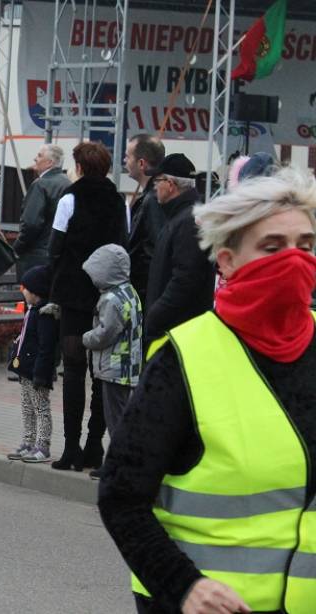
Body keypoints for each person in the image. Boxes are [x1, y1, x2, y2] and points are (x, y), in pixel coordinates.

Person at [99, 167, 316, 614]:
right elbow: (121, 497)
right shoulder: (183, 358)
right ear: (227, 261)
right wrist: (183, 586)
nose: (294, 260)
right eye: (272, 247)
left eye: (306, 246)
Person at [47, 142, 127, 471]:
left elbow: (54, 246)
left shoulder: (70, 198)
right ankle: (95, 446)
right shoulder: (119, 200)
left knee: (74, 371)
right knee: (101, 372)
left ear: (79, 167)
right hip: (107, 292)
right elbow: (123, 243)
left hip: (74, 291)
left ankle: (70, 449)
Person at [81, 244, 142, 479]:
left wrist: (85, 338)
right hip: (129, 366)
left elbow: (104, 333)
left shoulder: (111, 300)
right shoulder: (130, 292)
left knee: (115, 419)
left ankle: (117, 467)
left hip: (114, 367)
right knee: (123, 416)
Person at [143, 153, 216, 342]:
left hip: (177, 332)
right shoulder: (180, 217)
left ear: (170, 184)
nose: (155, 187)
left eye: (157, 181)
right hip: (174, 328)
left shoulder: (188, 222)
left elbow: (185, 278)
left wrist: (156, 315)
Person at [4, 265, 58, 461]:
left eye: (24, 288)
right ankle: (28, 441)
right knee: (27, 407)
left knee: (40, 408)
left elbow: (46, 348)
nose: (22, 291)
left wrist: (41, 373)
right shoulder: (32, 311)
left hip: (37, 371)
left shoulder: (44, 316)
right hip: (26, 370)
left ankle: (42, 446)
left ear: (35, 291)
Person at [13, 144, 71, 276]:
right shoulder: (68, 184)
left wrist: (17, 247)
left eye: (39, 156)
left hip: (35, 256)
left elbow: (31, 223)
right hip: (59, 254)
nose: (35, 159)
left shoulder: (40, 184)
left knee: (32, 295)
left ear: (50, 162)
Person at [123, 134, 167, 302]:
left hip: (147, 291)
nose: (124, 160)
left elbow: (156, 247)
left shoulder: (154, 199)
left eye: (128, 156)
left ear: (141, 163)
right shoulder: (153, 196)